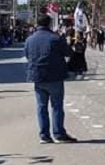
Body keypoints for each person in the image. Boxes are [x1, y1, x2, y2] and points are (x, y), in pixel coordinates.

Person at [24, 14, 77, 144]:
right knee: (57, 106)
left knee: (41, 106)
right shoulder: (55, 38)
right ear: (49, 24)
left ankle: (44, 135)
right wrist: (69, 42)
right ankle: (58, 134)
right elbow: (68, 53)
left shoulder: (30, 40)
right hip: (54, 76)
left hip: (37, 76)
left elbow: (27, 55)